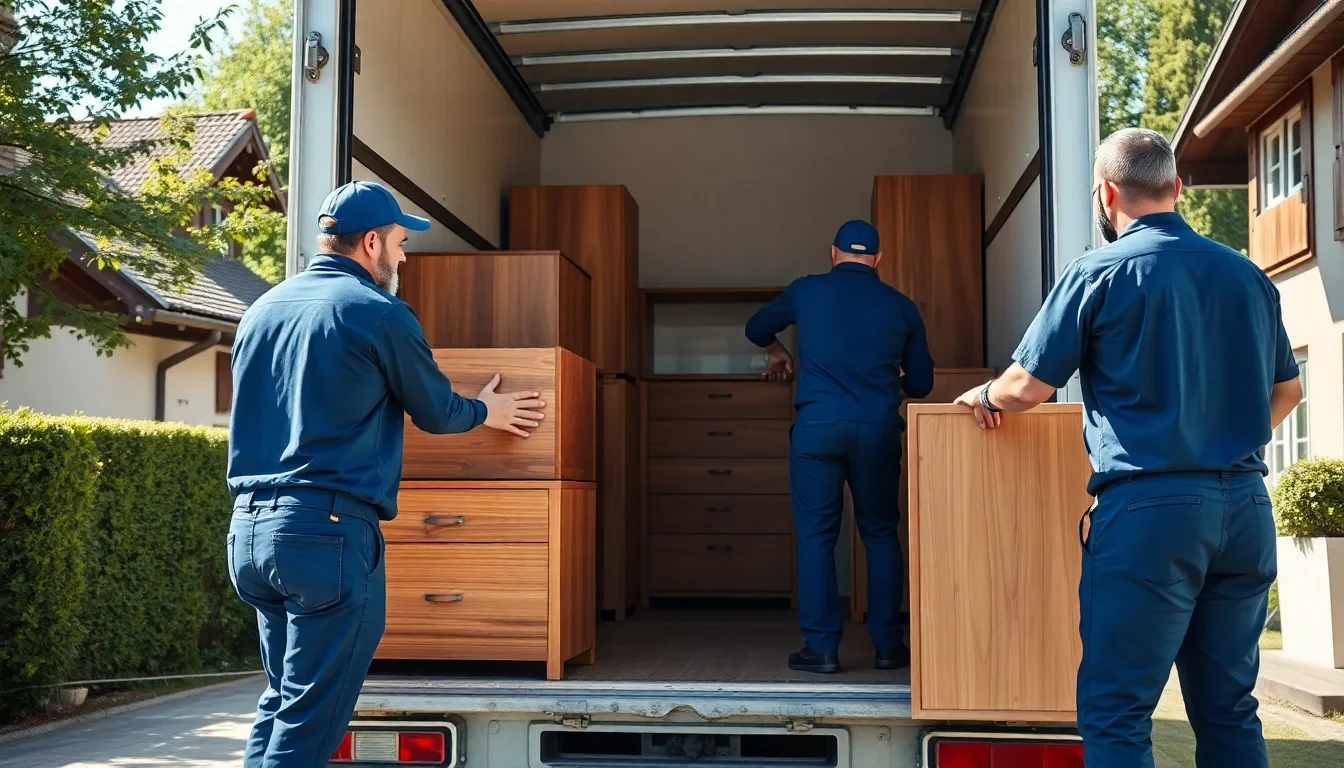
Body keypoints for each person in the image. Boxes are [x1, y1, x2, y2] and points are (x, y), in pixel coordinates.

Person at [954, 128, 1302, 768]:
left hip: (1151, 512)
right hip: (1247, 509)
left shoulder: (1099, 272)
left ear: (1106, 192)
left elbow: (1028, 386)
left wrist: (983, 397)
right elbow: (1288, 391)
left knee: (1117, 711)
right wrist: (1224, 439)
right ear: (1176, 188)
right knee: (1228, 708)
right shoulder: (1247, 275)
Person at [225, 181, 547, 767]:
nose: (404, 258)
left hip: (250, 535)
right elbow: (435, 409)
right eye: (400, 243)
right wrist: (487, 410)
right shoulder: (378, 313)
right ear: (371, 243)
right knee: (305, 727)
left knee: (282, 704)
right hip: (326, 536)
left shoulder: (260, 310)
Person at [745, 219, 934, 674]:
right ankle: (889, 647)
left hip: (817, 430)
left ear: (833, 253)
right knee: (881, 534)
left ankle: (822, 649)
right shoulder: (901, 307)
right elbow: (923, 384)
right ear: (878, 258)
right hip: (877, 432)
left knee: (816, 537)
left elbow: (756, 327)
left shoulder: (806, 291)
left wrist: (778, 352)